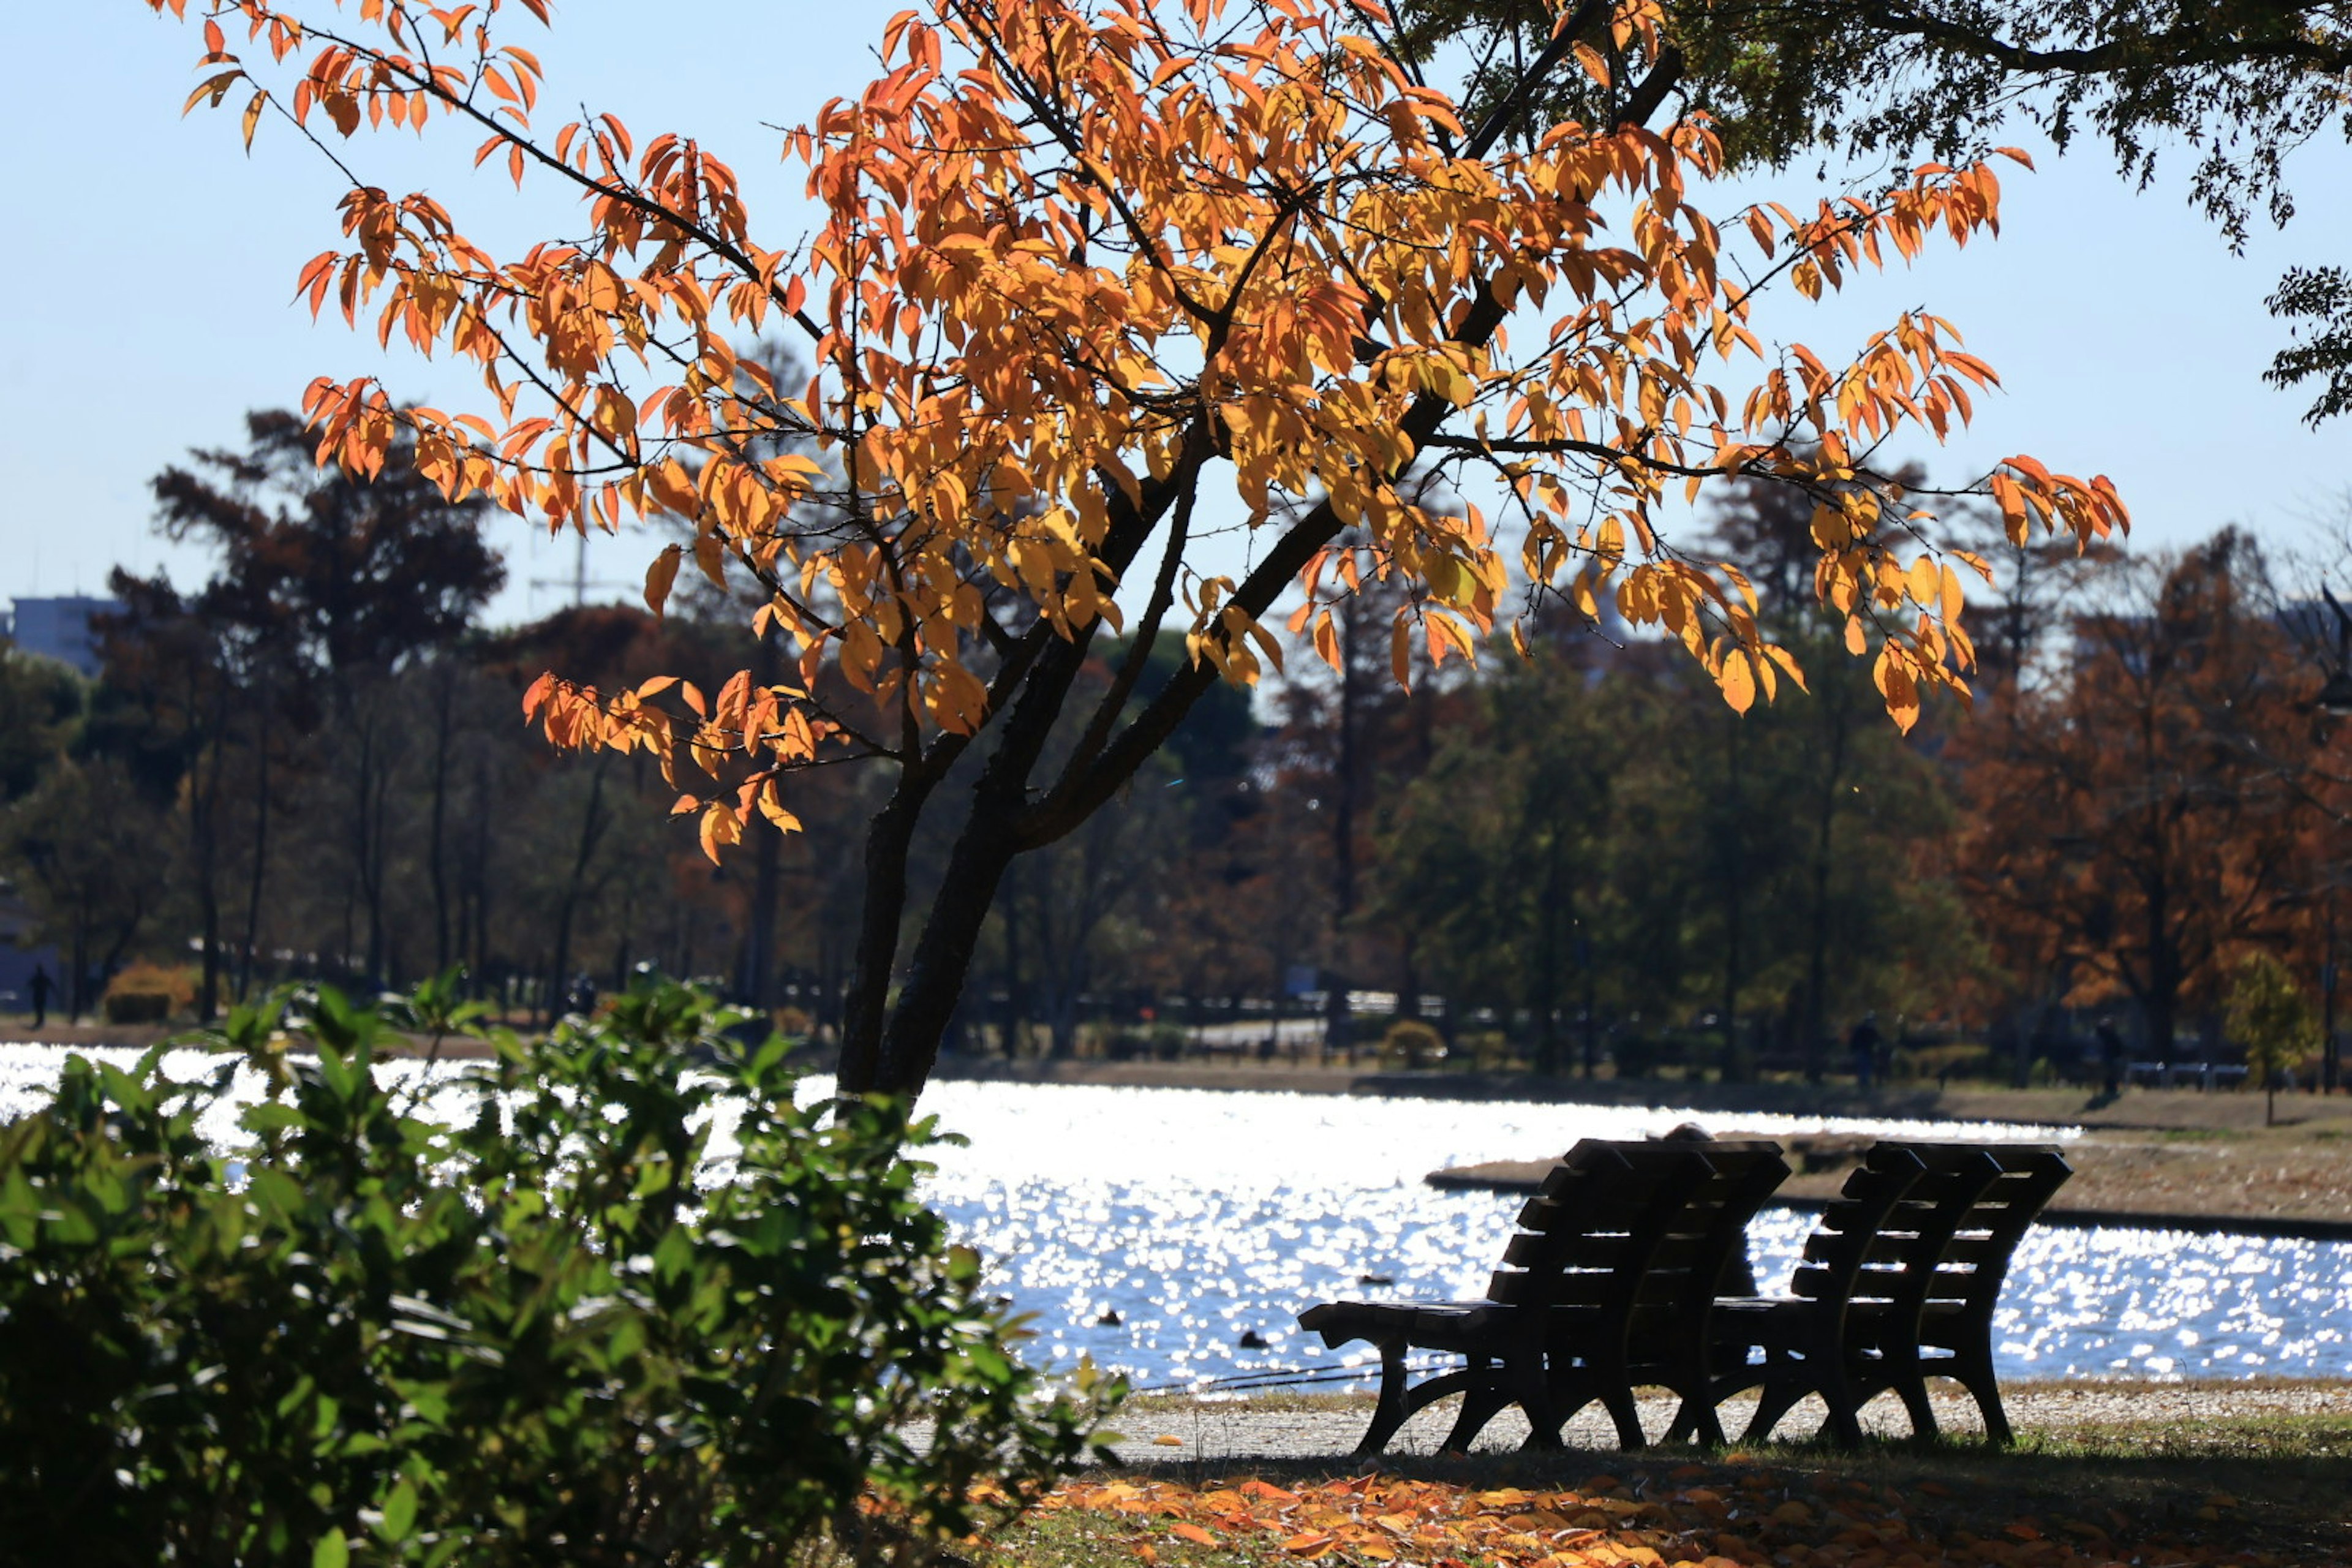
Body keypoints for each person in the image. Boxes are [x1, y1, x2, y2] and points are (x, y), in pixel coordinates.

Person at [1848, 1013, 1883, 1089]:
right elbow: (1855, 1040)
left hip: (1867, 1051)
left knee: (1866, 1066)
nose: (1872, 1023)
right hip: (1862, 1050)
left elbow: (1878, 1039)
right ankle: (1863, 1082)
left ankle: (1864, 1082)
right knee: (1863, 1066)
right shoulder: (1862, 1029)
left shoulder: (1871, 1030)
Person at [2097, 1016, 2127, 1098]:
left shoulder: (2114, 1036)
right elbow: (2099, 1030)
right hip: (2107, 1058)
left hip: (2114, 1059)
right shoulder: (2104, 1035)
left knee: (2114, 1076)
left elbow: (2119, 1048)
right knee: (2107, 1075)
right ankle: (2108, 1090)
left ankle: (2112, 1090)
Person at [28, 963, 51, 1030]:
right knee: (41, 1009)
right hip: (42, 996)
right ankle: (41, 1021)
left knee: (39, 1009)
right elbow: (51, 986)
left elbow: (29, 985)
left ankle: (40, 1021)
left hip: (37, 997)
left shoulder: (36, 978)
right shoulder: (45, 978)